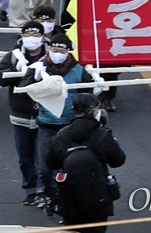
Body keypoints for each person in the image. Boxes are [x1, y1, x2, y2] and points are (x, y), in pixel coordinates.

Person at [19, 33, 99, 204]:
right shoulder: (38, 67)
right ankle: (48, 194)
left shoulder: (79, 70)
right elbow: (22, 90)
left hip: (71, 126)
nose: (58, 55)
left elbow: (89, 95)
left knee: (70, 166)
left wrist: (96, 89)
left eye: (62, 51)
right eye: (54, 50)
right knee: (44, 168)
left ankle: (67, 198)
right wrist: (35, 78)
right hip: (47, 125)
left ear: (68, 53)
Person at [45, 93, 125, 233]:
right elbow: (118, 161)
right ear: (93, 110)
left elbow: (51, 163)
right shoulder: (103, 135)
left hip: (70, 195)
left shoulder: (61, 135)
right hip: (98, 197)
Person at [0, 21, 49, 206]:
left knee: (44, 157)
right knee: (25, 157)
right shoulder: (14, 57)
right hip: (21, 114)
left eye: (36, 34)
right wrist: (15, 70)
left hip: (46, 114)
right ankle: (30, 190)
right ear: (21, 37)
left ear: (43, 36)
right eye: (27, 34)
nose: (32, 38)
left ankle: (44, 190)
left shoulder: (52, 56)